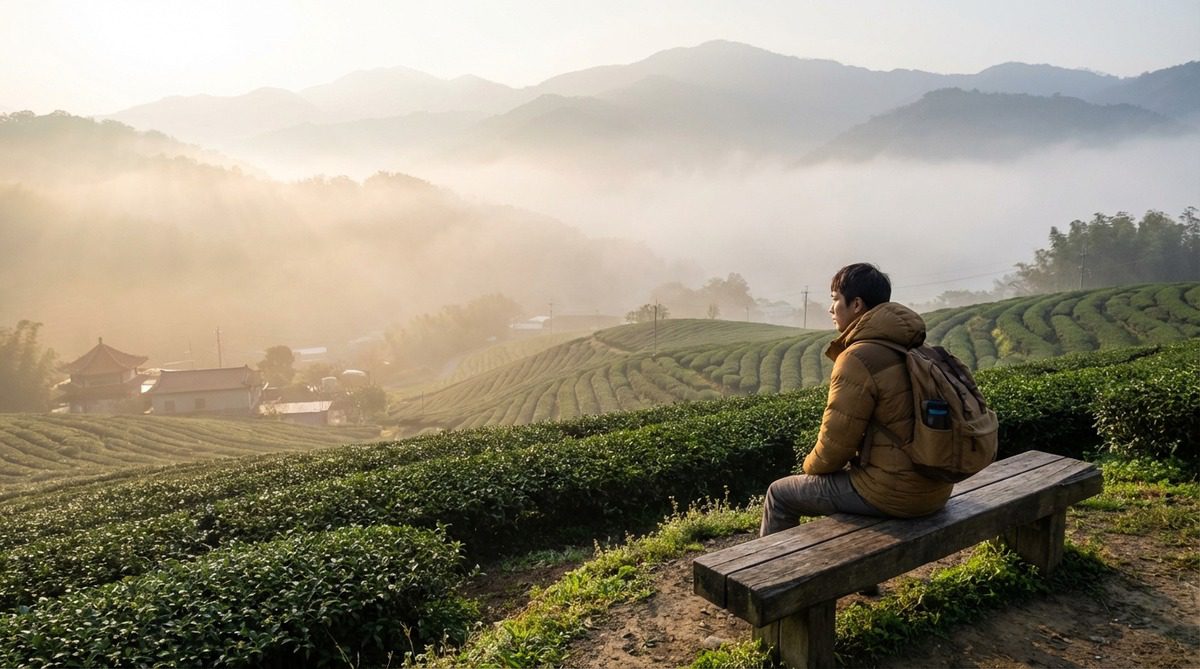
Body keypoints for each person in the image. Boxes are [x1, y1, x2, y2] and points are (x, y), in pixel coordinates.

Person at [759, 262, 953, 537]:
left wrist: (809, 470)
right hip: (936, 487)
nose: (831, 309)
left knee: (779, 493)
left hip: (893, 493)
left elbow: (834, 448)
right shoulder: (916, 346)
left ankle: (769, 576)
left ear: (857, 305)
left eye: (835, 299)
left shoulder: (857, 357)